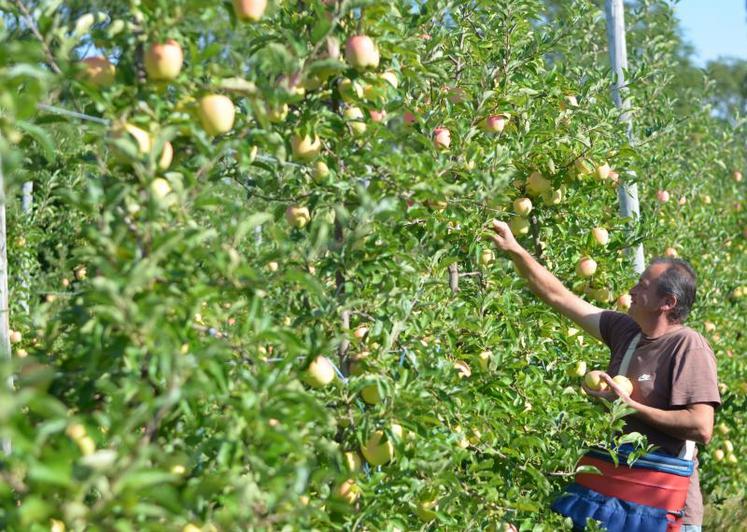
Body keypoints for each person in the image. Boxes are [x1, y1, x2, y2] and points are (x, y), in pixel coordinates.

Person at [488, 220, 720, 532]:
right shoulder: (624, 331)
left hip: (663, 508)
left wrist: (628, 405)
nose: (632, 291)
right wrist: (516, 251)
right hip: (613, 498)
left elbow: (702, 427)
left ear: (667, 303)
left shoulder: (687, 346)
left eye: (642, 287)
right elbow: (558, 296)